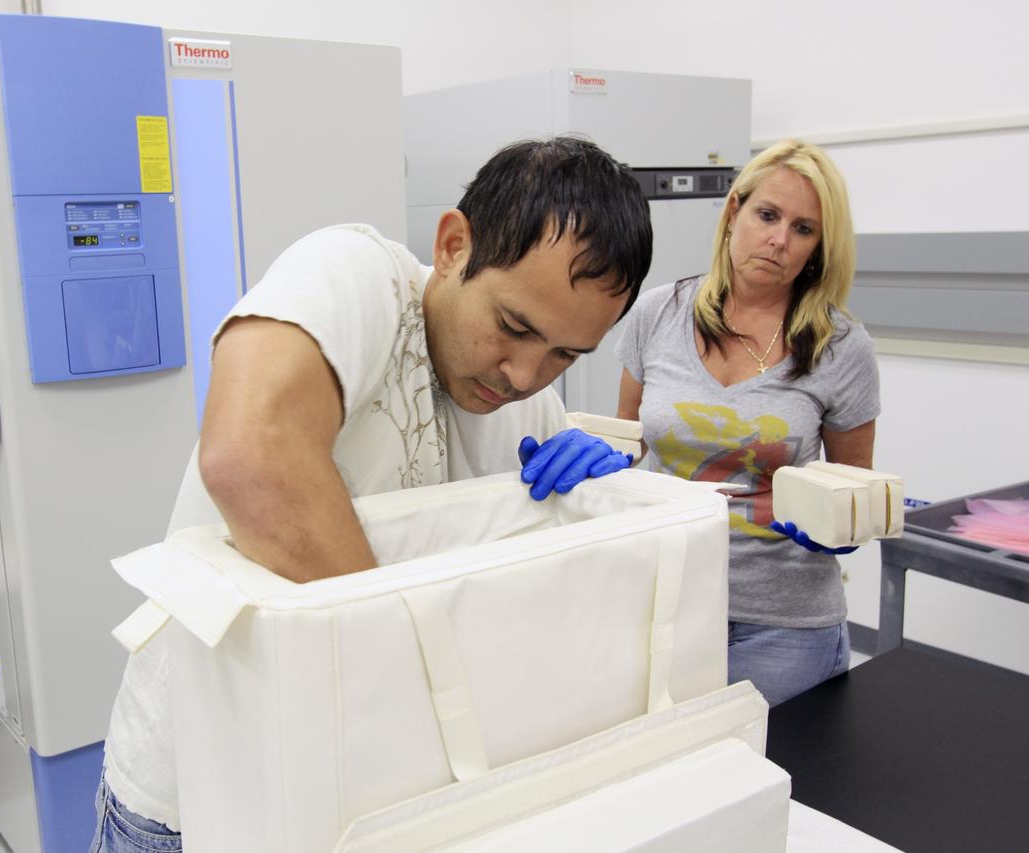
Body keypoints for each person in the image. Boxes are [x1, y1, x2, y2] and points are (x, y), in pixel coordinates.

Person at [91, 136, 654, 851]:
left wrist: (593, 518)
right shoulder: (359, 277)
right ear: (453, 246)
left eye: (567, 354)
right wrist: (414, 690)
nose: (523, 373)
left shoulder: (531, 411)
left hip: (368, 797)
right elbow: (249, 454)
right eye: (513, 326)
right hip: (201, 786)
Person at [614, 139, 878, 708]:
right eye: (767, 215)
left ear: (818, 248)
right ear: (733, 211)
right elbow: (626, 449)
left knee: (766, 782)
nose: (780, 240)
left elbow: (856, 490)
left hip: (784, 624)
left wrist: (841, 526)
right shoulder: (657, 314)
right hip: (668, 604)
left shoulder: (842, 347)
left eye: (804, 229)